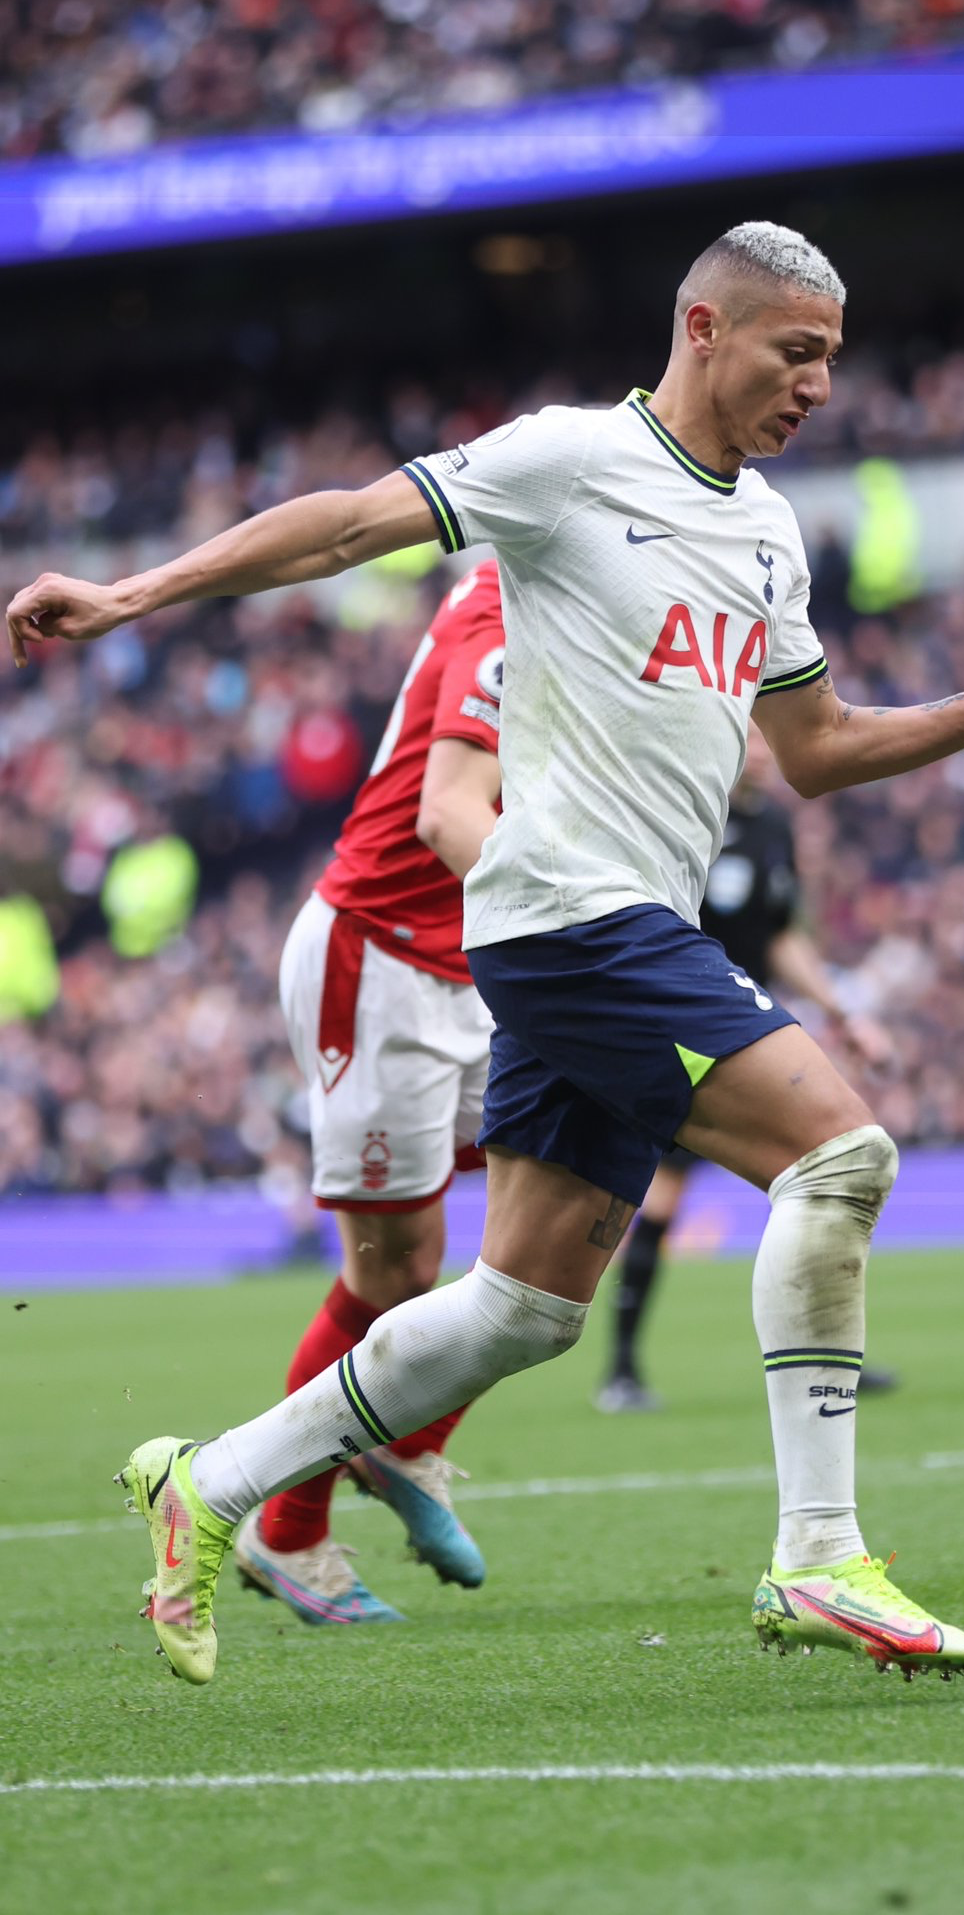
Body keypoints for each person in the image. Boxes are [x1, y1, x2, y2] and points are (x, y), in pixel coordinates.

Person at [9, 220, 964, 1689]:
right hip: (567, 918)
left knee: (516, 1306)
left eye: (832, 360)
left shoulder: (767, 529)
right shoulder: (567, 461)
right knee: (840, 1156)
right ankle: (821, 1554)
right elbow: (341, 524)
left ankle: (206, 1483)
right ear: (704, 329)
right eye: (796, 351)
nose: (818, 385)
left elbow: (820, 749)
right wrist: (129, 594)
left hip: (604, 931)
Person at [238, 556, 504, 1625]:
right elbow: (450, 817)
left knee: (590, 1177)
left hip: (475, 956)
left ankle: (409, 1444)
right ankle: (286, 1531)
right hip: (380, 958)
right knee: (396, 1272)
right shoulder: (509, 609)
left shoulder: (610, 605)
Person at [597, 726, 896, 1414]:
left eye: (769, 738)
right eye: (751, 736)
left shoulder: (772, 827)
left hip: (742, 1027)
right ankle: (619, 1370)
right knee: (651, 1201)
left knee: (832, 1165)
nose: (763, 750)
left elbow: (781, 934)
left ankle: (832, 1357)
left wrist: (840, 1010)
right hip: (678, 1024)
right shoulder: (681, 811)